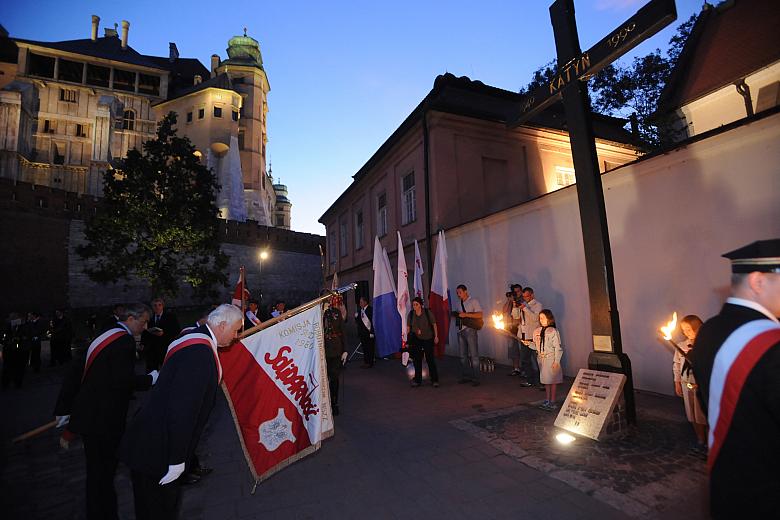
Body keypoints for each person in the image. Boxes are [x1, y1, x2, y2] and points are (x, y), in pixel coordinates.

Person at [120, 304, 243, 520]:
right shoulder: (201, 355)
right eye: (235, 330)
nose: (236, 336)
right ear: (222, 325)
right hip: (158, 451)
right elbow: (183, 410)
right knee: (158, 510)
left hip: (150, 440)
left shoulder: (193, 336)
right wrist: (177, 460)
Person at [689, 239, 780, 519]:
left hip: (727, 481)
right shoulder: (772, 344)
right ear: (758, 281)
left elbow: (708, 402)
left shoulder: (710, 330)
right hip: (769, 492)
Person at [53, 303, 158, 520]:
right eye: (143, 321)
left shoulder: (106, 334)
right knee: (104, 474)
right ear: (130, 318)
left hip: (89, 415)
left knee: (95, 474)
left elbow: (77, 371)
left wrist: (64, 407)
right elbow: (122, 381)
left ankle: (97, 512)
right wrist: (151, 378)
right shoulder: (124, 340)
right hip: (105, 419)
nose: (145, 326)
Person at [672, 314, 708, 451]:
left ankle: (710, 441)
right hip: (687, 384)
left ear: (698, 328)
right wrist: (677, 381)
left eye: (688, 329)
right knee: (691, 412)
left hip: (700, 385)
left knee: (702, 414)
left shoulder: (705, 346)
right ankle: (700, 438)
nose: (685, 332)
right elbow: (676, 364)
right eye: (683, 330)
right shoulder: (681, 346)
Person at [526, 309, 563, 410]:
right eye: (540, 318)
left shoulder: (553, 331)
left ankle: (553, 401)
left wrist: (556, 361)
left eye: (543, 318)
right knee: (546, 381)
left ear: (549, 318)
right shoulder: (537, 331)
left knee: (553, 380)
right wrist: (529, 344)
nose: (541, 320)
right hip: (542, 360)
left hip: (551, 358)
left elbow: (558, 348)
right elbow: (536, 346)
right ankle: (547, 399)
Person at [454, 284, 483, 386]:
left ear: (465, 291)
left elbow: (480, 314)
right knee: (463, 356)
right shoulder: (459, 303)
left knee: (474, 355)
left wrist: (465, 314)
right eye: (457, 293)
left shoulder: (473, 301)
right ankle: (466, 376)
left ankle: (476, 378)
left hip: (470, 330)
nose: (458, 294)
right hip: (461, 330)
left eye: (460, 292)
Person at [140, 297, 180, 371]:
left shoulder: (170, 317)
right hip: (152, 349)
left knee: (166, 369)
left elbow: (176, 330)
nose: (157, 307)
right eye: (155, 305)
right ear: (152, 307)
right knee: (151, 370)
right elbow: (145, 332)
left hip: (165, 347)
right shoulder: (150, 317)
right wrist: (143, 343)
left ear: (163, 306)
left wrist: (164, 333)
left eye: (159, 305)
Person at [323, 298, 348, 415]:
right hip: (322, 350)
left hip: (335, 349)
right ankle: (325, 403)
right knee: (324, 379)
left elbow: (343, 330)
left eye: (328, 300)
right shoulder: (317, 314)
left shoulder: (336, 312)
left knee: (334, 377)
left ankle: (334, 403)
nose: (327, 302)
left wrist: (345, 350)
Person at [408, 297, 440, 387]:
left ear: (420, 305)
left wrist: (436, 336)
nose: (414, 306)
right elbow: (408, 327)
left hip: (428, 337)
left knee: (430, 359)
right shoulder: (411, 314)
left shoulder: (427, 312)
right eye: (413, 304)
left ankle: (434, 379)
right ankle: (417, 380)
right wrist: (408, 338)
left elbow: (434, 324)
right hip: (416, 339)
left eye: (416, 304)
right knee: (417, 359)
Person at [517, 287, 543, 388]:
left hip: (533, 337)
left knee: (537, 361)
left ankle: (540, 382)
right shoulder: (523, 305)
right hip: (523, 336)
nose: (525, 298)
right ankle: (529, 380)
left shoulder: (538, 305)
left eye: (527, 296)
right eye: (523, 296)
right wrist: (516, 308)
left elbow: (535, 319)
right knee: (525, 360)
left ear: (532, 295)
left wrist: (524, 308)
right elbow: (515, 317)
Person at [1, 312, 29, 389]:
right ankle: (5, 383)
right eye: (12, 318)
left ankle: (17, 382)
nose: (13, 319)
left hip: (19, 350)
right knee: (7, 368)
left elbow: (27, 336)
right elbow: (3, 336)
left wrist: (20, 338)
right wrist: (7, 341)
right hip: (9, 350)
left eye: (15, 317)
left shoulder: (23, 326)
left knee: (19, 367)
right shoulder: (7, 326)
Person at [504, 290, 522, 376]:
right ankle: (516, 368)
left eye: (518, 292)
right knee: (513, 349)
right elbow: (504, 311)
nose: (516, 294)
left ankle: (526, 370)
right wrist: (509, 300)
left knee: (524, 349)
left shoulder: (522, 301)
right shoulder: (511, 302)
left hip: (522, 329)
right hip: (511, 329)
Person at [355, 296, 375, 368]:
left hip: (369, 333)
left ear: (365, 302)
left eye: (361, 302)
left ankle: (370, 362)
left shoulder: (370, 310)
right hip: (362, 333)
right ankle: (366, 362)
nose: (360, 304)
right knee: (365, 348)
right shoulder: (360, 310)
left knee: (370, 348)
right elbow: (358, 322)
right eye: (360, 302)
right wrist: (356, 316)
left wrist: (372, 332)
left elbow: (373, 322)